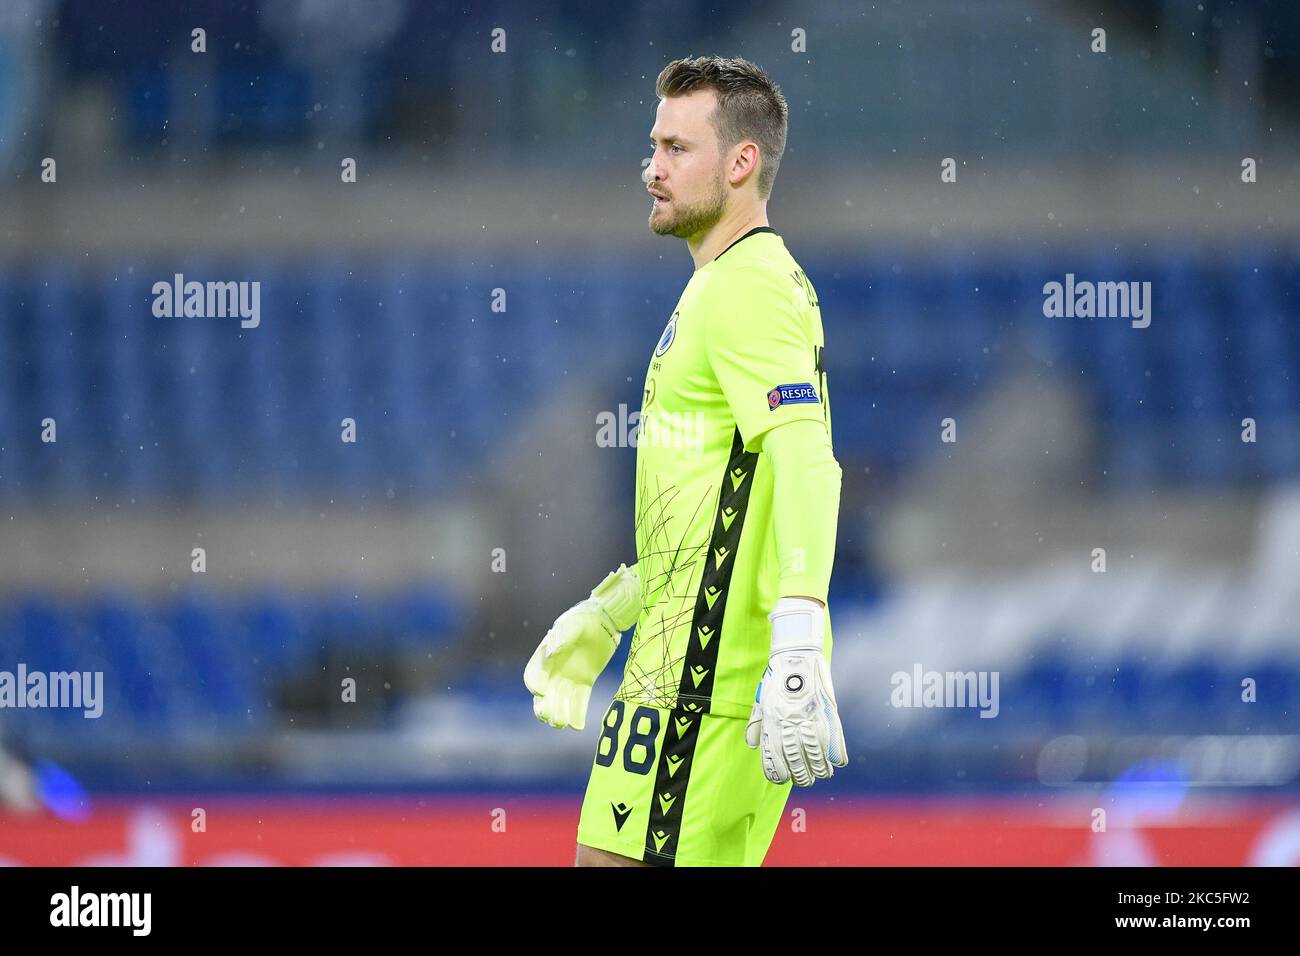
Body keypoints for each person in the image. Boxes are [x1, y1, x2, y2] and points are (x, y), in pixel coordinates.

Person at [525, 55, 845, 867]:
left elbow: (805, 458)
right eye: (653, 147)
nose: (652, 170)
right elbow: (716, 502)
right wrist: (614, 610)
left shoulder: (749, 287)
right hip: (681, 673)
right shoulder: (727, 285)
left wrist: (800, 641)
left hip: (699, 688)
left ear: (742, 163)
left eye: (675, 149)